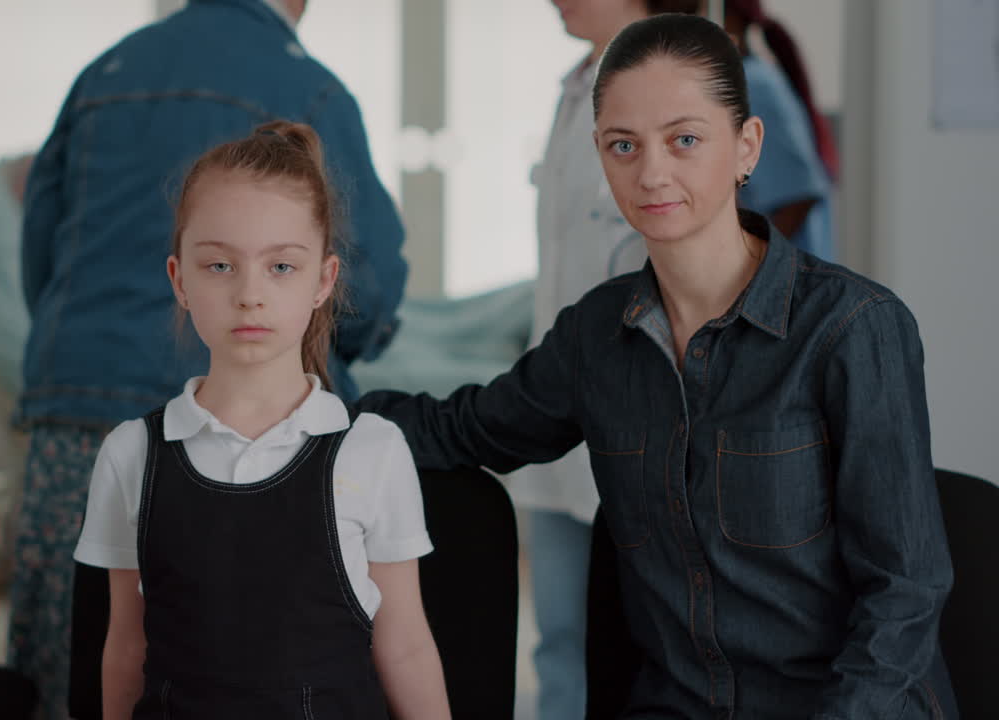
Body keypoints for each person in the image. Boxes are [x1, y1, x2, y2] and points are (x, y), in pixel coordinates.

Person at [358, 14, 957, 719]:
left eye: (685, 140)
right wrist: (296, 406)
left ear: (746, 146)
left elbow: (904, 596)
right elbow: (463, 428)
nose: (651, 172)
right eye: (623, 146)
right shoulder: (596, 335)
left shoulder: (852, 329)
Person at [11, 1, 407, 715]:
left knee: (65, 658)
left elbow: (41, 245)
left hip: (74, 398)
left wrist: (86, 343)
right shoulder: (312, 89)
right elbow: (368, 288)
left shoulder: (105, 70)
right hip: (246, 419)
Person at [73, 122, 450, 720]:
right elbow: (125, 646)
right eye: (220, 266)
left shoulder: (373, 449)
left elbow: (404, 646)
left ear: (323, 280)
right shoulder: (131, 454)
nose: (250, 294)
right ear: (180, 281)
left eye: (281, 268)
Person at [514, 3, 653, 718]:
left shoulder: (667, 82)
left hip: (638, 414)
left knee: (635, 648)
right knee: (556, 639)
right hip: (559, 406)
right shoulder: (574, 89)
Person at [654, 0, 837, 259]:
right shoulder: (731, 84)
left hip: (782, 282)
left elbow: (797, 200)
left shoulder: (755, 86)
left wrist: (745, 265)